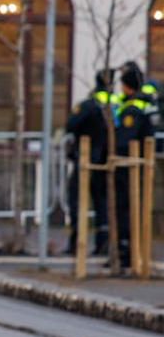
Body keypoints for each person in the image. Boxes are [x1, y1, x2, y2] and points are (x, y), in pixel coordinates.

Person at [64, 69, 114, 255]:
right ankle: (103, 243)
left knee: (76, 200)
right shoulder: (115, 103)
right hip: (106, 160)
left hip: (85, 159)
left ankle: (77, 242)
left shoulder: (90, 104)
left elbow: (71, 124)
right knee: (102, 203)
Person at [113, 64, 153, 272]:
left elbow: (126, 140)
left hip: (130, 166)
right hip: (138, 165)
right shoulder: (145, 104)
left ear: (127, 87)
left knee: (127, 209)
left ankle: (127, 254)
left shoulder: (132, 109)